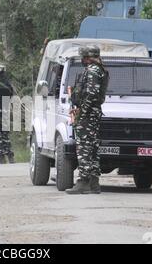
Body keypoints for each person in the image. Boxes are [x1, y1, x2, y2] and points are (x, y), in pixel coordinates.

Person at [66, 45, 109, 194]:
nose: (82, 60)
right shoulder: (99, 69)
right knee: (92, 147)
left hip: (88, 114)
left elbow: (91, 94)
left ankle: (83, 182)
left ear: (88, 57)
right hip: (93, 112)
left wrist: (81, 112)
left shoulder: (92, 71)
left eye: (83, 57)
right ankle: (94, 183)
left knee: (84, 147)